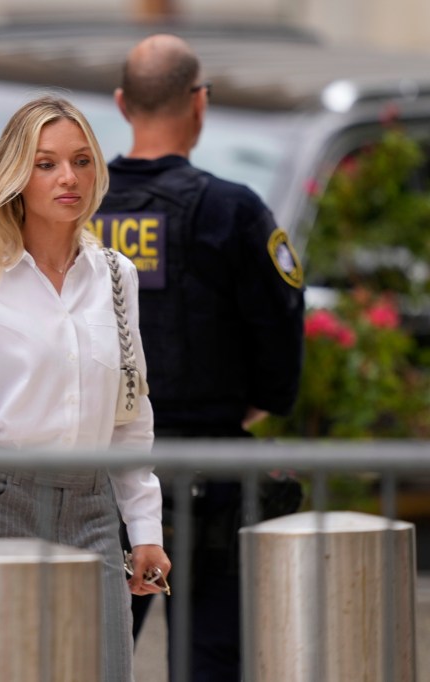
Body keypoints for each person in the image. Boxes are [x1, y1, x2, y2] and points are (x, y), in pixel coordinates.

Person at [0, 95, 171, 681]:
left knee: (103, 669)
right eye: (47, 163)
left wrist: (144, 531)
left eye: (82, 160)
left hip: (91, 507)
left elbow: (130, 416)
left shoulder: (118, 275)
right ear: (16, 176)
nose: (70, 177)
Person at [95, 34, 305, 681]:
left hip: (102, 477)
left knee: (91, 656)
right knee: (212, 661)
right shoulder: (231, 209)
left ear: (122, 102)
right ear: (201, 103)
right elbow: (279, 335)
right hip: (212, 476)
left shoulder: (79, 206)